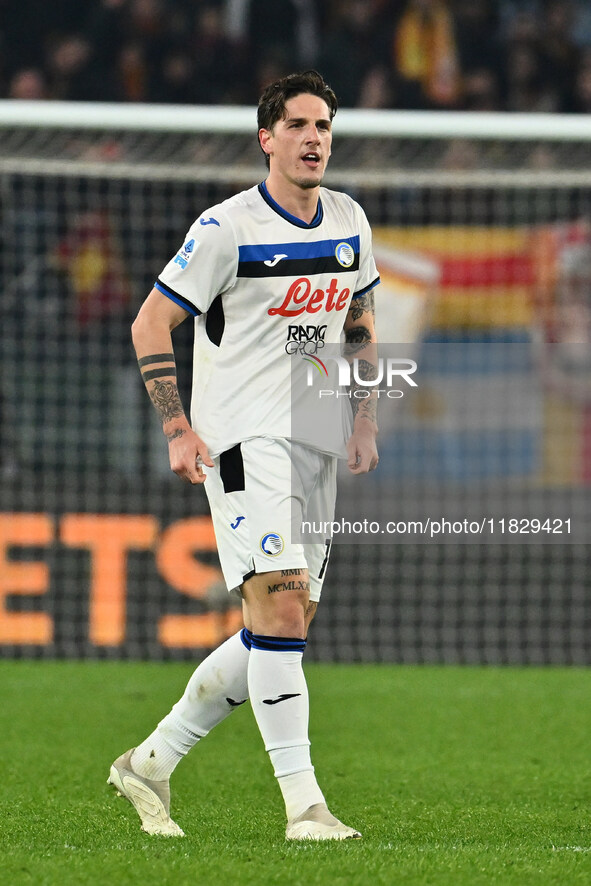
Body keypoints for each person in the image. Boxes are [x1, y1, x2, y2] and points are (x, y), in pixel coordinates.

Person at [108, 69, 380, 841]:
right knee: (283, 611)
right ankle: (305, 808)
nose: (313, 138)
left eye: (323, 125)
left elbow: (358, 319)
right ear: (267, 138)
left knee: (278, 629)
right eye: (297, 125)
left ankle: (149, 761)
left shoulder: (350, 220)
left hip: (318, 430)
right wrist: (177, 428)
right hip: (242, 440)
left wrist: (361, 419)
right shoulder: (226, 228)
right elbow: (149, 324)